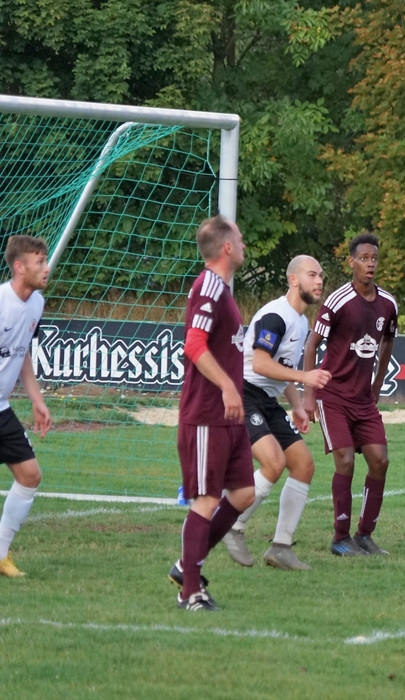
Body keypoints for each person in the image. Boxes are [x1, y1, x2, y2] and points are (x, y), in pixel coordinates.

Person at [220, 256, 331, 570]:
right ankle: (231, 524)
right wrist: (305, 377)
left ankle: (281, 547)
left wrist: (296, 405)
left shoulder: (301, 321)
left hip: (267, 400)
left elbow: (281, 370)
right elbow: (260, 364)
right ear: (294, 280)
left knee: (303, 465)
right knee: (274, 463)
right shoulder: (275, 316)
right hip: (244, 394)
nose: (319, 281)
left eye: (321, 276)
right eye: (312, 275)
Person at [169, 216, 255, 611]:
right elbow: (193, 344)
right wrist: (226, 386)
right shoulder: (208, 286)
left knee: (244, 493)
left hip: (229, 416)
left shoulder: (222, 289)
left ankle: (187, 564)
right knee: (205, 499)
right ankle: (190, 591)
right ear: (226, 247)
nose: (244, 244)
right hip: (207, 412)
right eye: (239, 239)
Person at [303, 232, 398, 556]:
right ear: (351, 262)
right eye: (364, 259)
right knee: (344, 461)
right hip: (333, 397)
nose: (370, 264)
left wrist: (377, 383)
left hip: (364, 400)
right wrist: (309, 395)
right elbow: (312, 345)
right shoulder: (338, 301)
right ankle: (340, 538)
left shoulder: (388, 304)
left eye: (374, 259)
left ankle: (365, 535)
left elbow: (388, 340)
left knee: (380, 460)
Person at [0, 236, 53, 578]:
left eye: (45, 261)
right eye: (39, 262)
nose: (46, 268)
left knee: (30, 475)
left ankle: (0, 554)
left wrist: (37, 400)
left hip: (2, 408)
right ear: (19, 267)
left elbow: (22, 354)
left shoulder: (36, 303)